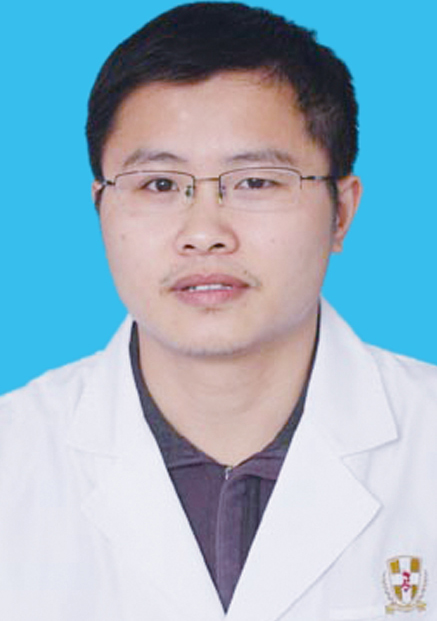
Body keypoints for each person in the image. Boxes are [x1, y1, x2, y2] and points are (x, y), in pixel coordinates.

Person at [1, 2, 436, 619]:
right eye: (159, 185)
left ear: (341, 211)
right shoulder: (13, 457)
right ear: (100, 206)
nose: (204, 233)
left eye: (256, 182)